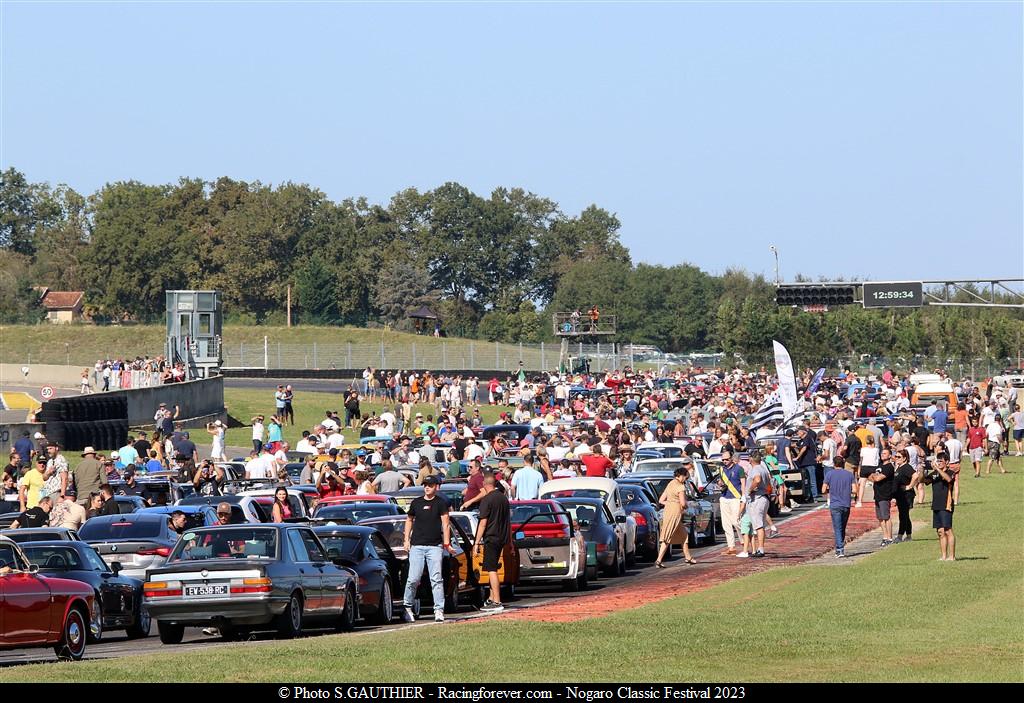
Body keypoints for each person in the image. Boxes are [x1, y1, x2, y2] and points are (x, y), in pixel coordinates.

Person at [401, 475, 452, 624]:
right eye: (425, 484)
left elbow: (446, 524)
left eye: (430, 484)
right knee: (413, 578)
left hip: (434, 546)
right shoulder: (416, 503)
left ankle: (438, 609)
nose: (427, 487)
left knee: (436, 578)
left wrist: (446, 543)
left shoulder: (440, 503)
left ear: (436, 486)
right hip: (417, 546)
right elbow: (409, 520)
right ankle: (407, 607)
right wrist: (406, 540)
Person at [475, 473, 510, 613]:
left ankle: (497, 601)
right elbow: (508, 521)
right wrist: (510, 542)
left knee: (491, 569)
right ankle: (491, 598)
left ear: (485, 485)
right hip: (502, 537)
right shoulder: (503, 498)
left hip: (491, 537)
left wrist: (477, 541)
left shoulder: (487, 499)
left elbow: (483, 523)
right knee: (491, 568)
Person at [654, 466, 695, 567]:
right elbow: (683, 503)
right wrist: (686, 506)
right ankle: (658, 560)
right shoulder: (681, 487)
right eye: (686, 477)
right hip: (675, 511)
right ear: (681, 476)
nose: (686, 479)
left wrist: (671, 502)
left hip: (668, 510)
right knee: (667, 536)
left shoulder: (671, 483)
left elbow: (661, 500)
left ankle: (688, 557)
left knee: (684, 534)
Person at [923, 453, 957, 561]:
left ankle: (952, 556)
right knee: (940, 532)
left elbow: (948, 479)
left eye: (941, 461)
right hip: (936, 504)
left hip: (946, 504)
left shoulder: (951, 472)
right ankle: (943, 556)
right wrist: (920, 471)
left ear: (947, 462)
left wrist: (937, 469)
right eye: (937, 461)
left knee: (948, 530)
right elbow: (924, 481)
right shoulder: (935, 473)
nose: (938, 463)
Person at [739, 450, 772, 558]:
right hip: (763, 497)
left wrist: (750, 490)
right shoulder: (763, 468)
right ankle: (760, 548)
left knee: (758, 525)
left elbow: (757, 480)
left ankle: (761, 549)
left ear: (751, 459)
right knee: (759, 524)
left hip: (757, 498)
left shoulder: (756, 469)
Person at [822, 456, 856, 558]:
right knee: (842, 527)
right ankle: (839, 546)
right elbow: (855, 490)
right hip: (846, 503)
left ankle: (840, 549)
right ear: (843, 463)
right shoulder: (849, 475)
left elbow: (823, 490)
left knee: (837, 527)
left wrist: (830, 490)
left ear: (834, 464)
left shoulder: (829, 474)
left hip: (835, 504)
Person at [716, 450, 744, 556]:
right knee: (726, 523)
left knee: (736, 521)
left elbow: (742, 483)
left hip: (736, 497)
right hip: (724, 497)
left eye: (727, 459)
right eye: (723, 460)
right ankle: (731, 546)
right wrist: (720, 484)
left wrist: (744, 497)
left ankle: (744, 539)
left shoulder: (739, 469)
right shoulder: (721, 469)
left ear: (731, 458)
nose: (725, 461)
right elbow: (720, 482)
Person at [868, 448, 896, 546]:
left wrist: (874, 477)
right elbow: (870, 477)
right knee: (880, 518)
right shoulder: (879, 466)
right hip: (877, 495)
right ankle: (885, 536)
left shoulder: (889, 467)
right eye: (882, 453)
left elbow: (878, 478)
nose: (882, 455)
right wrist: (874, 477)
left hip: (885, 494)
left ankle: (890, 537)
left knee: (886, 517)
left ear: (889, 455)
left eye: (885, 453)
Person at [892, 449, 918, 543]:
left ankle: (900, 536)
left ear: (905, 458)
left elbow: (915, 476)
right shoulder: (899, 467)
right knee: (904, 515)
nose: (897, 458)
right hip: (900, 495)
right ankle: (908, 535)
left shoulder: (906, 467)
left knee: (903, 515)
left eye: (899, 457)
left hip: (906, 495)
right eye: (896, 456)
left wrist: (909, 486)